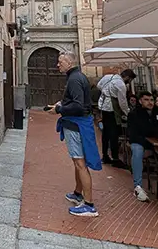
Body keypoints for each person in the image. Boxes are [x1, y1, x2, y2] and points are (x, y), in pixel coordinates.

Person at [49, 52, 102, 217]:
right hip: (77, 123)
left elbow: (79, 106)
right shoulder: (77, 76)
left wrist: (59, 109)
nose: (58, 65)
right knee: (77, 161)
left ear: (69, 62)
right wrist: (62, 103)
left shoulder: (74, 79)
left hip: (76, 124)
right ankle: (78, 193)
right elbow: (77, 102)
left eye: (60, 62)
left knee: (80, 163)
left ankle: (89, 204)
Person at [126, 91, 158, 202]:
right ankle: (138, 186)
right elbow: (132, 134)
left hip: (157, 143)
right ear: (140, 101)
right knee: (137, 151)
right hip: (140, 142)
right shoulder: (134, 115)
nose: (150, 102)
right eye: (146, 100)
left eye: (151, 100)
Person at [97, 69, 134, 167]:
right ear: (127, 77)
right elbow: (122, 102)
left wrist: (106, 92)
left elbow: (99, 85)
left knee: (105, 132)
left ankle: (105, 155)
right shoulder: (121, 85)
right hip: (112, 109)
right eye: (129, 80)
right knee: (114, 133)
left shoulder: (108, 77)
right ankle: (115, 158)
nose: (129, 82)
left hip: (103, 106)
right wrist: (127, 113)